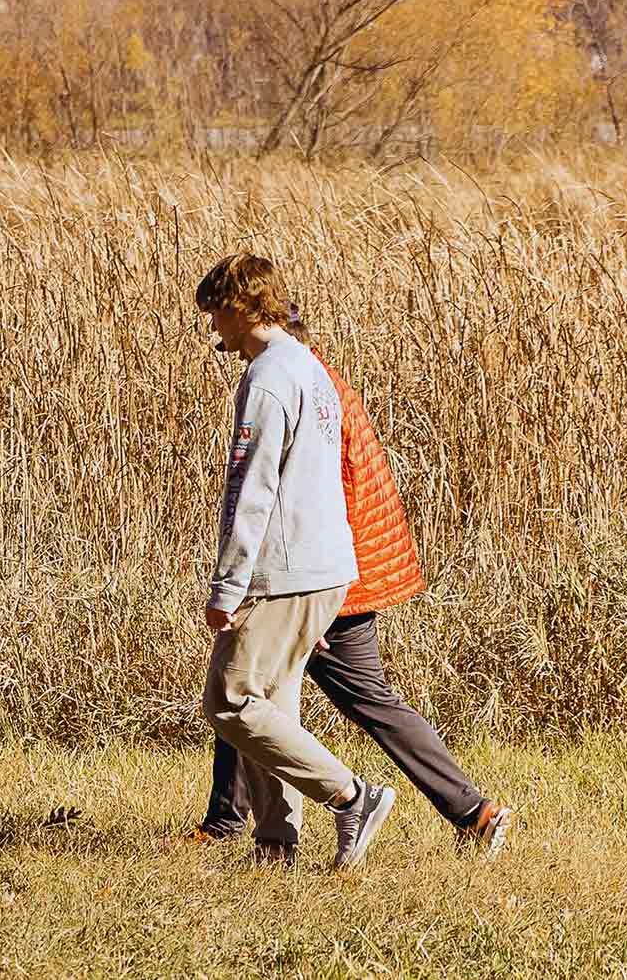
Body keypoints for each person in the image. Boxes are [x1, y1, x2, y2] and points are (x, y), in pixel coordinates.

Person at [184, 314, 515, 855]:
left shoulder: (301, 386)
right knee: (259, 688)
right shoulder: (319, 382)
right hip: (332, 570)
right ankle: (241, 825)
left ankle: (471, 811)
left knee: (310, 696)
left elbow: (333, 494)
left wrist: (320, 600)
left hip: (331, 573)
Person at [195, 253, 394, 870]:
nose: (214, 332)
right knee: (272, 700)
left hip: (282, 569)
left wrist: (228, 584)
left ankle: (350, 795)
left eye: (216, 316)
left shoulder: (268, 379)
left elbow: (250, 490)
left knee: (229, 702)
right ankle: (276, 844)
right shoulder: (310, 370)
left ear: (240, 306)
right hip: (328, 564)